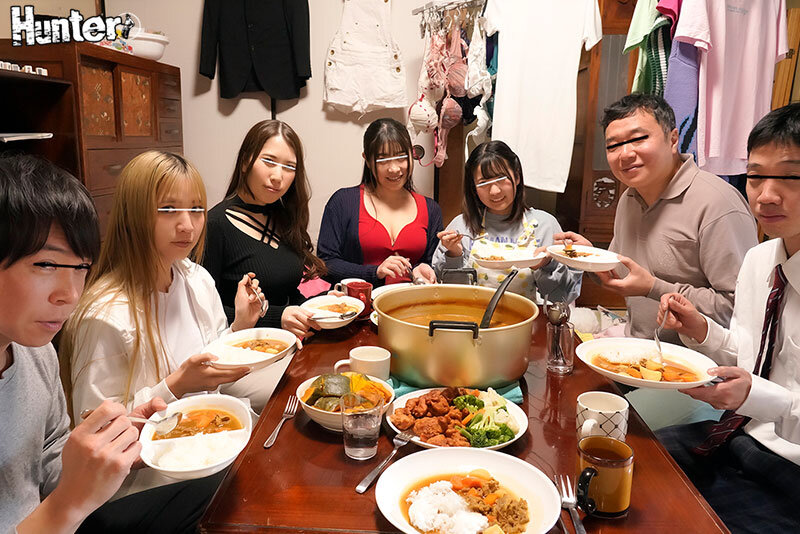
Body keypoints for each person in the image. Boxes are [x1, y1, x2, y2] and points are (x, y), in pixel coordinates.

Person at [0, 154, 220, 534]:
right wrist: (68, 503)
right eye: (46, 265)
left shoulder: (36, 352)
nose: (70, 295)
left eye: (81, 268)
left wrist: (120, 442)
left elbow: (52, 462)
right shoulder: (104, 315)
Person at [60, 151, 267, 496]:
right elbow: (97, 435)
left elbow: (210, 361)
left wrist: (239, 327)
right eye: (168, 209)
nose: (187, 225)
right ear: (134, 215)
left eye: (196, 209)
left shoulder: (196, 279)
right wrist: (175, 385)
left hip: (207, 448)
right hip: (144, 484)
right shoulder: (105, 316)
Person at [655, 103, 800, 532]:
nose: (766, 195)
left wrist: (758, 397)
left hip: (791, 468)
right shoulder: (760, 258)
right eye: (755, 176)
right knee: (621, 462)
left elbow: (757, 387)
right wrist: (701, 330)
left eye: (790, 177)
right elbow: (748, 352)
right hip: (736, 434)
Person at [557, 93, 758, 344]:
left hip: (695, 361)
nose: (625, 154)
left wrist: (654, 288)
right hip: (637, 349)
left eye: (638, 139)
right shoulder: (629, 198)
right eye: (613, 146)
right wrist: (589, 258)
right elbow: (623, 276)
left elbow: (740, 309)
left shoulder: (718, 203)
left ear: (672, 139)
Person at [204, 120, 327, 339]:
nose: (278, 177)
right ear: (245, 162)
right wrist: (277, 318)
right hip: (244, 349)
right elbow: (204, 314)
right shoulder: (215, 225)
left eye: (289, 167)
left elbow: (286, 292)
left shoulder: (283, 216)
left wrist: (321, 305)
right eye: (269, 161)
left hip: (291, 345)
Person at [433, 140, 582, 302]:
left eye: (501, 178)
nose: (494, 191)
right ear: (473, 188)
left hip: (527, 316)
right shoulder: (461, 226)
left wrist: (546, 265)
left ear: (517, 176)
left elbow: (563, 297)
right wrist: (454, 255)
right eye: (483, 183)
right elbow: (450, 294)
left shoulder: (544, 225)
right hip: (474, 315)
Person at [317, 118, 443, 286]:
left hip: (411, 300)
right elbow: (325, 264)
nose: (394, 168)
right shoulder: (343, 202)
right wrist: (375, 272)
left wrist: (420, 269)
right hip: (356, 301)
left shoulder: (431, 209)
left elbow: (430, 263)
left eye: (401, 157)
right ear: (367, 160)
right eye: (383, 160)